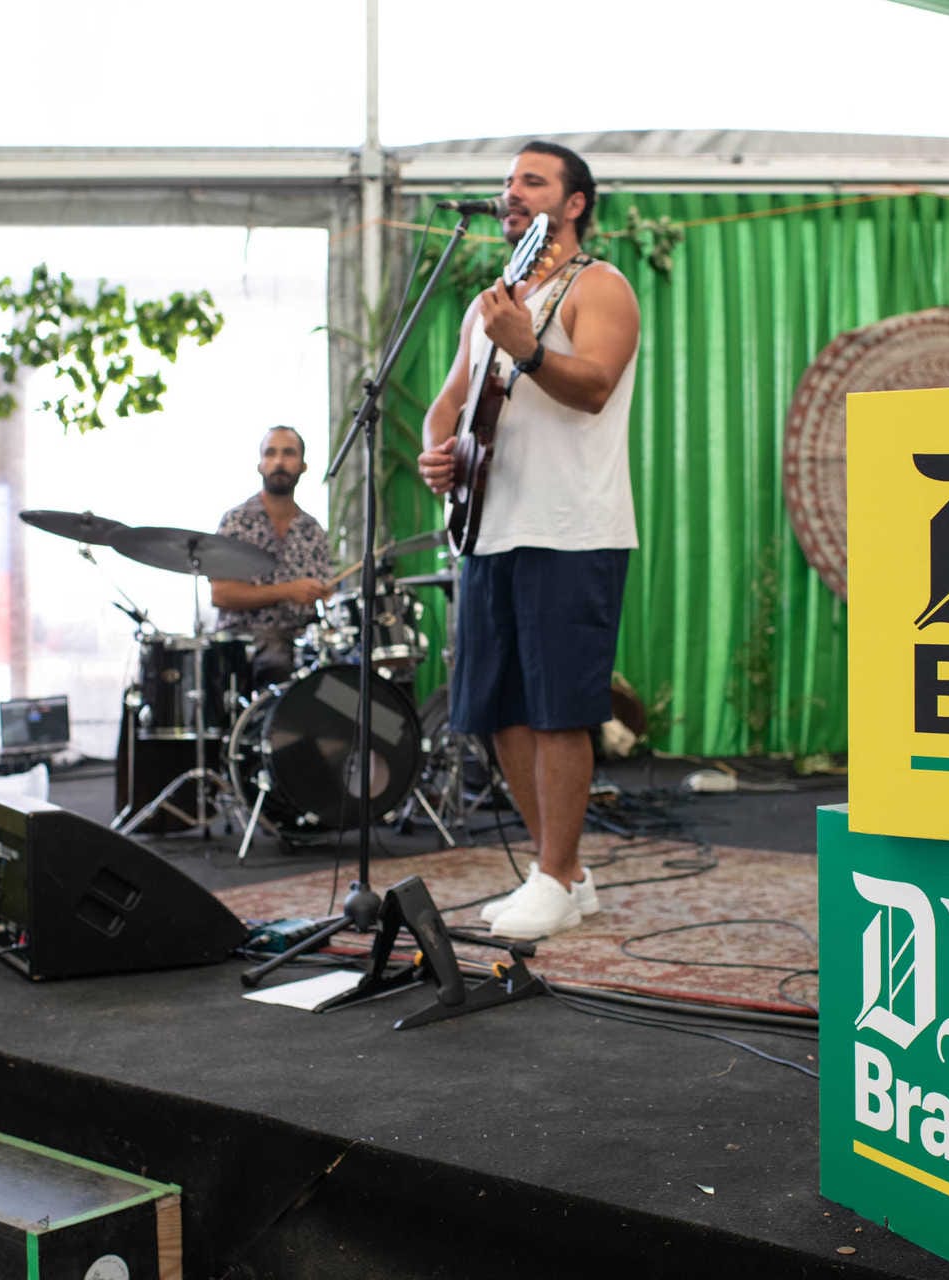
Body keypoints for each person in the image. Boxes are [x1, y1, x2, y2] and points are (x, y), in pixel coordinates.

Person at [417, 140, 640, 941]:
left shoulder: (600, 286)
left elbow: (595, 386)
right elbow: (448, 401)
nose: (512, 192)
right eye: (509, 180)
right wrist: (436, 451)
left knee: (557, 712)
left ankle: (552, 875)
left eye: (533, 181)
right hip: (488, 528)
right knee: (500, 709)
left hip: (571, 530)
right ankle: (563, 873)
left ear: (574, 203)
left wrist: (530, 348)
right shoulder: (493, 302)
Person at [208, 426, 334, 686]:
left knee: (342, 679)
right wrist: (288, 591)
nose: (279, 461)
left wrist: (322, 595)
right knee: (276, 660)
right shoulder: (236, 522)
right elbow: (221, 594)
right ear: (260, 465)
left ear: (303, 466)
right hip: (243, 645)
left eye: (288, 453)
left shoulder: (313, 531)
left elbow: (326, 599)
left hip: (301, 644)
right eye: (270, 453)